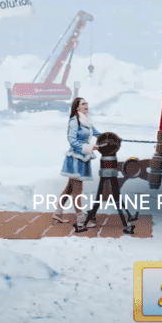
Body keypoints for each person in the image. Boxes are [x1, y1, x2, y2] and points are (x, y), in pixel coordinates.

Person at [54, 97, 99, 232]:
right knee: (77, 190)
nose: (86, 105)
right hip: (75, 159)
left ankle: (57, 213)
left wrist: (109, 137)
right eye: (83, 103)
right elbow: (72, 140)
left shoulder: (87, 119)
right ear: (77, 107)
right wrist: (88, 147)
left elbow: (96, 133)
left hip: (82, 158)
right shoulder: (75, 121)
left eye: (87, 103)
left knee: (70, 188)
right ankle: (81, 221)